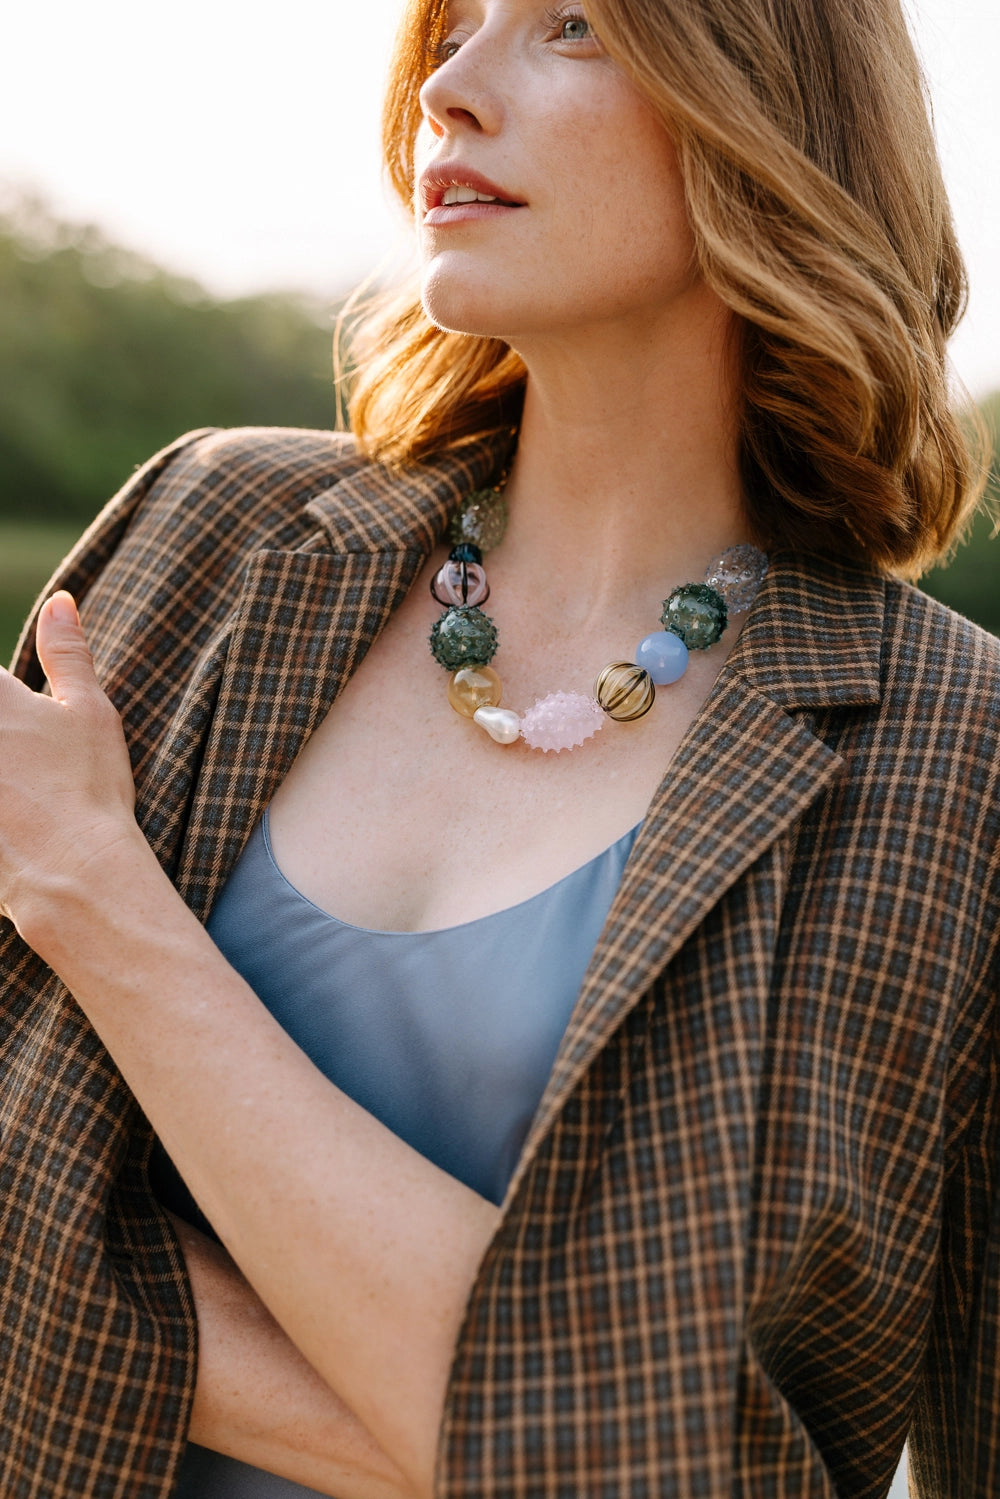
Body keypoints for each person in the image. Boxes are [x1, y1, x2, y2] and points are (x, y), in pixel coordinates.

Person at [0, 0, 997, 1495]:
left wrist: (94, 894)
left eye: (571, 27)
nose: (451, 92)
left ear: (774, 120)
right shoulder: (203, 540)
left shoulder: (962, 766)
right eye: (452, 28)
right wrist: (503, 1430)